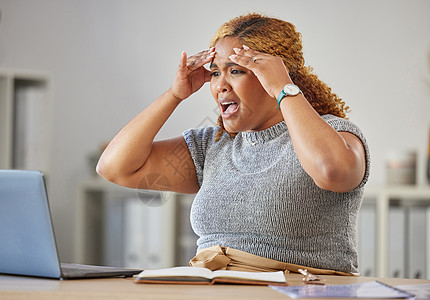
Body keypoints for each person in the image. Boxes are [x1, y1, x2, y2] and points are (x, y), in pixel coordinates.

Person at [97, 13, 370, 275]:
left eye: (236, 70)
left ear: (273, 74)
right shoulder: (213, 146)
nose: (220, 86)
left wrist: (283, 88)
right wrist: (174, 94)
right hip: (213, 288)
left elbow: (332, 171)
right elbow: (116, 168)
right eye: (215, 73)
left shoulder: (335, 132)